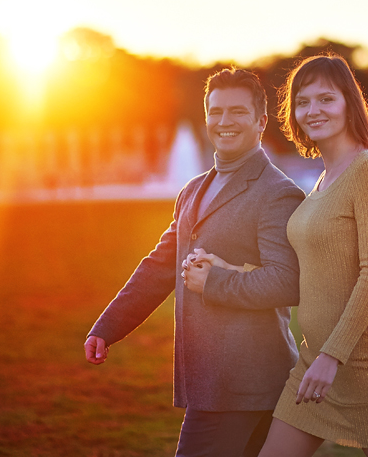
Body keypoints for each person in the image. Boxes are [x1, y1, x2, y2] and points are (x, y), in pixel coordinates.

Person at [192, 55, 368, 456]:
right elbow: (310, 269)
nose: (313, 111)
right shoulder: (322, 179)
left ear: (349, 102)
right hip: (311, 364)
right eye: (303, 101)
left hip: (359, 364)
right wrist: (229, 270)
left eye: (325, 99)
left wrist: (332, 357)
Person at [84, 68, 305, 457]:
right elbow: (158, 267)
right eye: (216, 111)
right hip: (210, 381)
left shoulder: (278, 193)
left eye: (237, 112)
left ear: (260, 121)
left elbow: (286, 282)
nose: (225, 122)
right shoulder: (192, 190)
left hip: (244, 383)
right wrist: (108, 327)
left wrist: (214, 282)